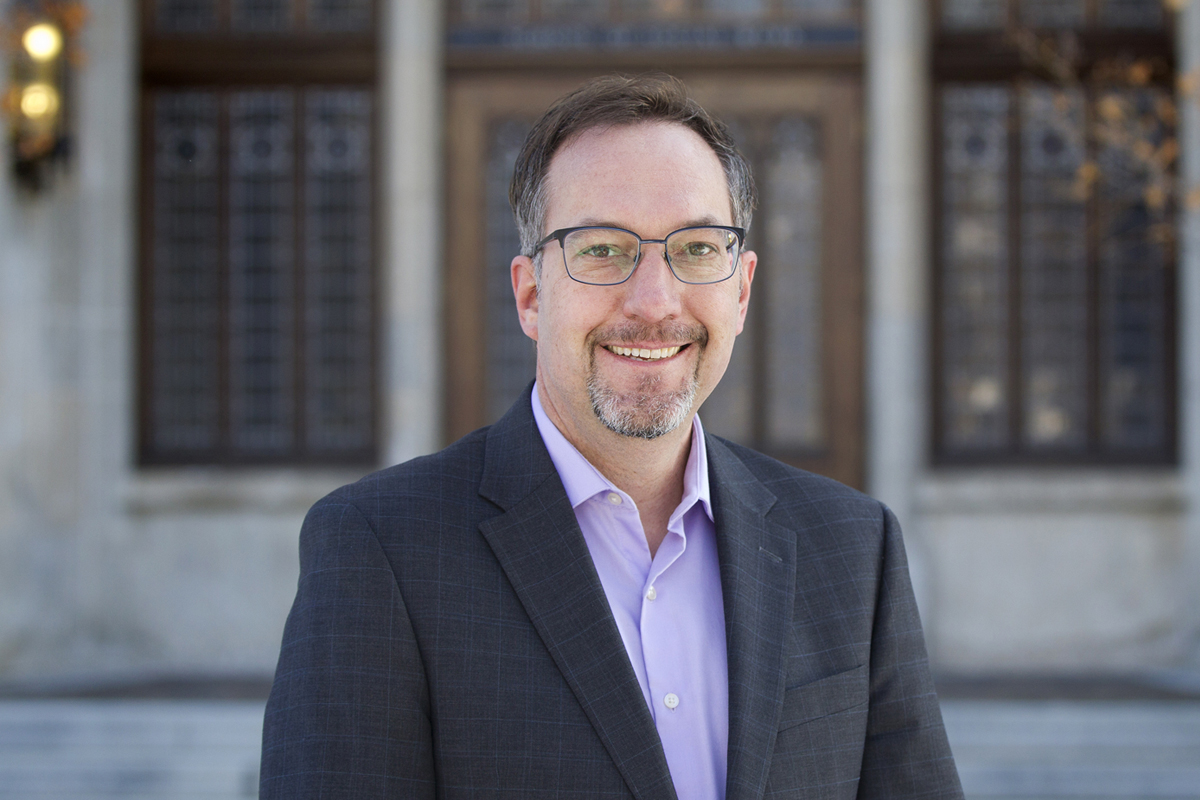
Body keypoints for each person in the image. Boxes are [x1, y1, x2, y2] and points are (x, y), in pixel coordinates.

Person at [260, 74, 963, 800]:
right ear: (532, 294)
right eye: (601, 249)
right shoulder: (380, 550)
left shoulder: (852, 546)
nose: (654, 303)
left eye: (695, 249)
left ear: (742, 289)